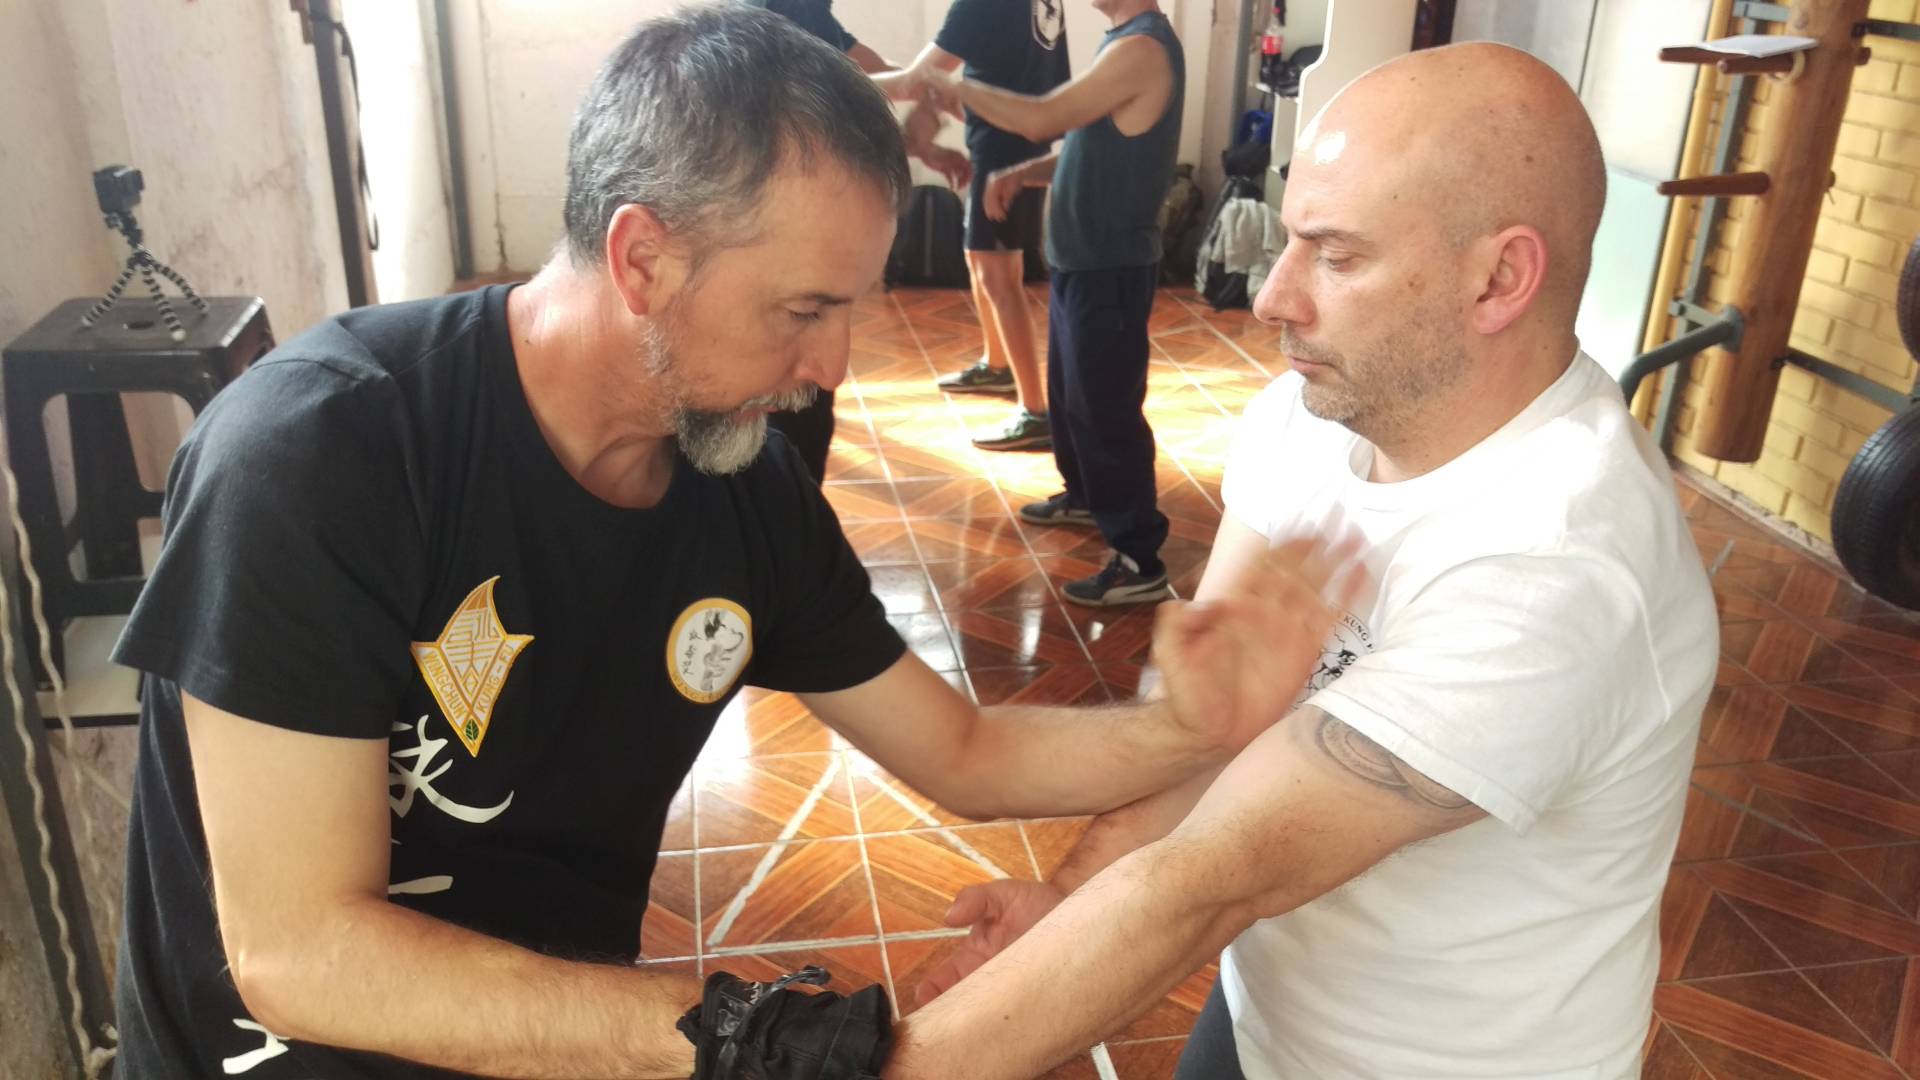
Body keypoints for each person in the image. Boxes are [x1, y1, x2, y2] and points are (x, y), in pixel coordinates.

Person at [107, 8, 1321, 1077]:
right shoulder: (325, 456)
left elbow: (964, 750)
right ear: (643, 258)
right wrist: (728, 1039)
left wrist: (1188, 727)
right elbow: (299, 952)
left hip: (553, 1050)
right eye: (803, 310)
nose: (832, 367)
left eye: (850, 310)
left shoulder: (744, 496)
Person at [885, 42, 1719, 1079]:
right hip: (1264, 1019)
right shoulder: (1309, 416)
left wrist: (891, 1067)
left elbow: (1213, 879)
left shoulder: (1562, 561)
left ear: (1499, 278)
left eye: (1336, 256)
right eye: (1290, 240)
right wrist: (1067, 897)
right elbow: (1216, 723)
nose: (1272, 296)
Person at [924, 0, 1183, 606]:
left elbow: (1043, 117)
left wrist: (953, 86)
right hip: (1081, 263)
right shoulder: (1121, 40)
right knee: (1070, 399)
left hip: (1110, 267)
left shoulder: (1142, 49)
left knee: (1106, 408)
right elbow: (1086, 146)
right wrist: (1024, 173)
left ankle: (1139, 558)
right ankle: (1087, 496)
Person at [752, 0, 974, 483]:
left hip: (811, 234)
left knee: (811, 400)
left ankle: (800, 507)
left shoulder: (813, 11)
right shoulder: (767, 8)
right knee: (781, 405)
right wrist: (920, 87)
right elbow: (799, 90)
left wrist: (922, 107)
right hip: (774, 235)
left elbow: (864, 65)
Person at [881, 0, 1072, 453]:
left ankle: (1035, 412)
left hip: (1006, 150)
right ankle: (997, 365)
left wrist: (833, 82)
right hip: (1015, 141)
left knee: (998, 275)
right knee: (979, 260)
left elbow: (916, 81)